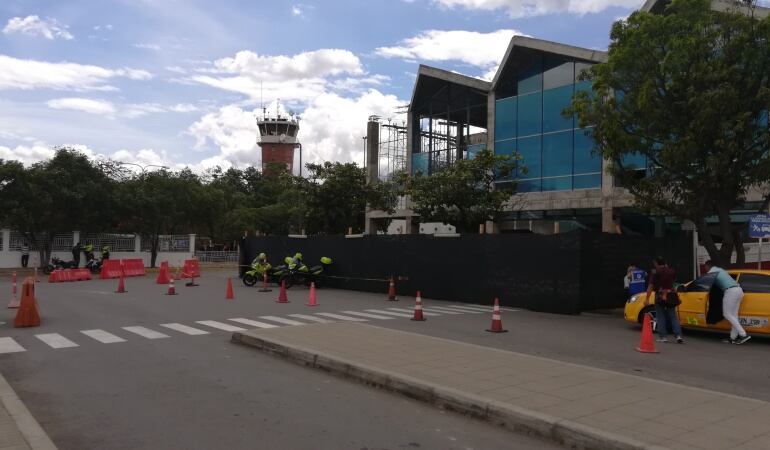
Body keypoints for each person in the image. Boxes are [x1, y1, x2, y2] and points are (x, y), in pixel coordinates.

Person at [705, 260, 750, 345]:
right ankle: (732, 338)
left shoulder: (712, 271)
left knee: (727, 314)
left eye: (705, 268)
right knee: (734, 315)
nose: (705, 270)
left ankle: (743, 335)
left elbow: (705, 281)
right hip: (738, 290)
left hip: (731, 291)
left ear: (707, 266)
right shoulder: (720, 269)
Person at [644, 256, 684, 344]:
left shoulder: (655, 272)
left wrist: (647, 298)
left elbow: (651, 286)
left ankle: (663, 337)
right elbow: (673, 283)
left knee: (660, 315)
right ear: (665, 263)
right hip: (671, 295)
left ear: (656, 263)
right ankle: (678, 336)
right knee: (673, 315)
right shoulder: (671, 271)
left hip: (660, 295)